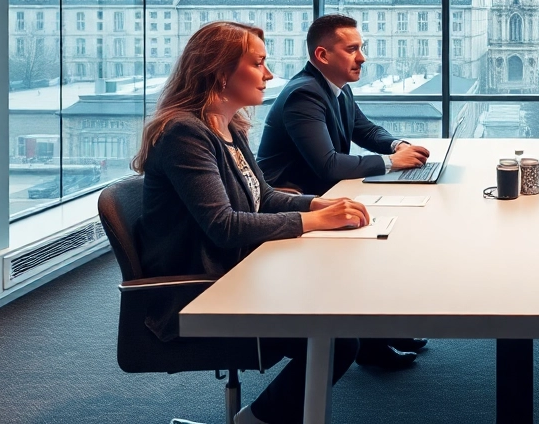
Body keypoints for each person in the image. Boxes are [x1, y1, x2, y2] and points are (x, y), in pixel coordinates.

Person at [135, 21, 370, 424]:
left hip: (238, 270)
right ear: (220, 70)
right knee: (337, 337)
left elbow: (264, 198)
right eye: (258, 63)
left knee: (339, 307)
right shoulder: (185, 135)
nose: (269, 74)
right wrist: (314, 221)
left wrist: (325, 206)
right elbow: (224, 226)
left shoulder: (227, 126)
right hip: (202, 289)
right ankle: (254, 421)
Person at [257, 13, 431, 370]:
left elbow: (365, 130)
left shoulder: (335, 88)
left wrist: (398, 144)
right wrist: (392, 163)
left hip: (323, 193)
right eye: (352, 49)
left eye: (361, 48)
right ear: (322, 55)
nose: (362, 57)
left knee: (395, 230)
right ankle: (368, 345)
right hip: (292, 201)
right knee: (374, 244)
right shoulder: (304, 94)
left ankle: (379, 331)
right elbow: (329, 165)